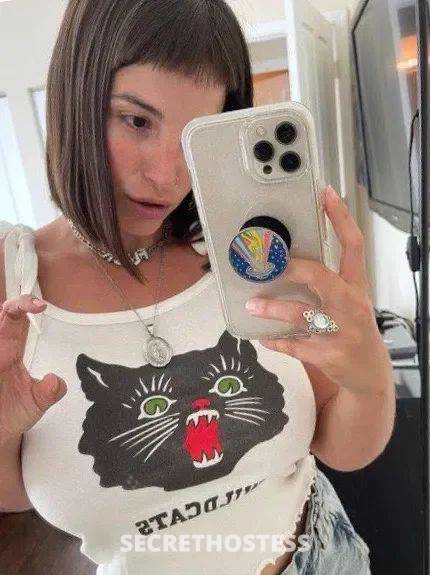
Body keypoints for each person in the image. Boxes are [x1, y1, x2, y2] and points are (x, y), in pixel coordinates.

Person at [0, 1, 395, 574]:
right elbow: (16, 496)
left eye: (195, 137)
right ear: (75, 98)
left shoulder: (252, 250)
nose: (167, 175)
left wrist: (369, 374)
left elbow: (340, 446)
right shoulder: (12, 281)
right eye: (137, 121)